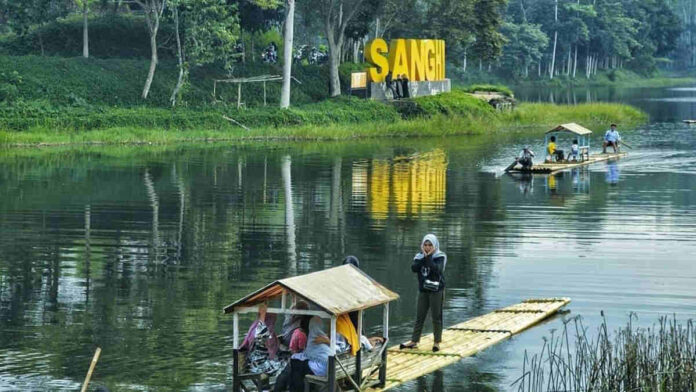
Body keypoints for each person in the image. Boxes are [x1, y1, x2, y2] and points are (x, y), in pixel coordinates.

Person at [400, 234, 447, 352]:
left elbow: (437, 269)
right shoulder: (419, 257)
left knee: (436, 316)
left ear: (435, 245)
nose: (427, 247)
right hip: (423, 290)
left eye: (430, 245)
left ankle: (437, 342)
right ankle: (414, 341)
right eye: (425, 245)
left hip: (436, 290)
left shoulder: (440, 256)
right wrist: (424, 257)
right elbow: (414, 268)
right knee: (419, 316)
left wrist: (429, 257)